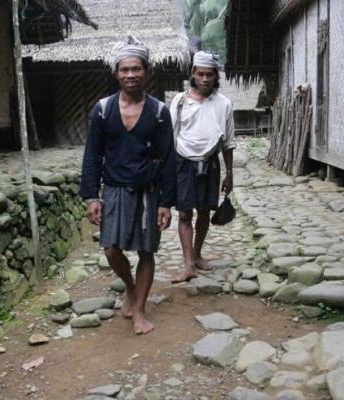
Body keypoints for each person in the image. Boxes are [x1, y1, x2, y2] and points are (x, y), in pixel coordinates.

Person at [80, 37, 176, 334]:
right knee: (111, 249)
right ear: (116, 73)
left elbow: (168, 158)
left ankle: (140, 311)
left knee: (147, 252)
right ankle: (131, 288)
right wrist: (90, 196)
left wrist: (165, 202)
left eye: (136, 69)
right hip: (114, 189)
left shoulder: (159, 112)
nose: (130, 75)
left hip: (148, 191)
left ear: (146, 71)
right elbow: (93, 154)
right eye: (124, 70)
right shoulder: (103, 110)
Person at [169, 51, 235, 283]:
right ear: (192, 74)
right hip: (183, 162)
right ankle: (188, 264)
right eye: (200, 74)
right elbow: (170, 136)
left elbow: (228, 143)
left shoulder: (224, 104)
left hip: (210, 163)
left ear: (216, 76)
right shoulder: (179, 102)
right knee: (185, 213)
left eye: (209, 74)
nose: (205, 79)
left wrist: (229, 173)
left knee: (205, 211)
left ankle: (197, 254)